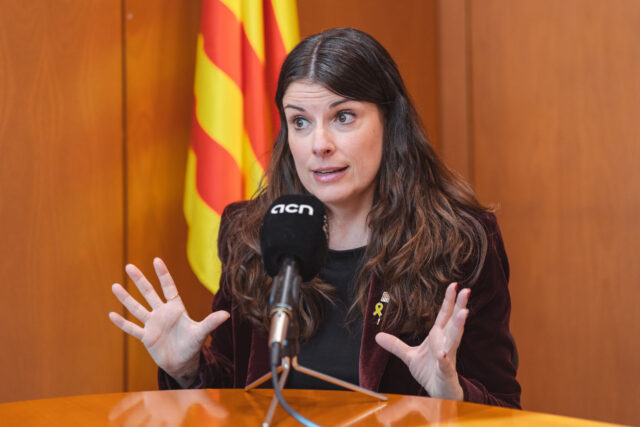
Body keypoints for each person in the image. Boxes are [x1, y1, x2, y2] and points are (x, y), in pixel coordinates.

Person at [109, 27, 521, 408]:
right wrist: (188, 368)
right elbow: (235, 398)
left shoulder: (459, 240)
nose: (319, 144)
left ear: (389, 120)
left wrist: (451, 393)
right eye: (300, 122)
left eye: (343, 117)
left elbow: (505, 410)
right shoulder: (251, 234)